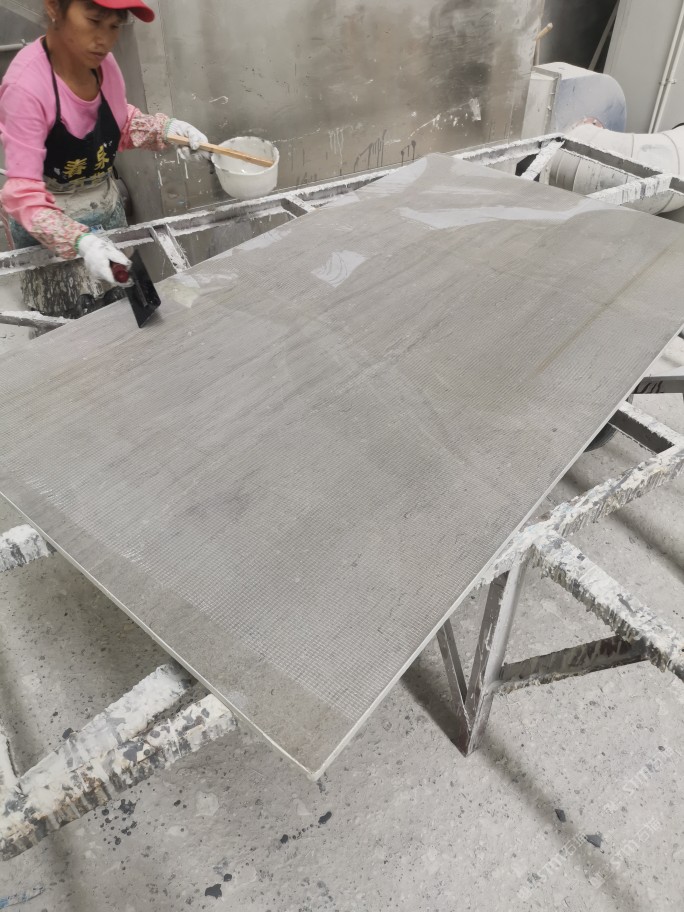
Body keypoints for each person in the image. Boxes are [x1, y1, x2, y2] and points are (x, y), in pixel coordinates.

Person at [0, 0, 210, 316]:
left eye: (114, 26)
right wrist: (81, 242)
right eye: (94, 21)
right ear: (54, 7)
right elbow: (22, 194)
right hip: (50, 224)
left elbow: (116, 124)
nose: (105, 40)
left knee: (122, 310)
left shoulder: (104, 65)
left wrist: (167, 130)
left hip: (105, 207)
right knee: (68, 322)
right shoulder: (25, 87)